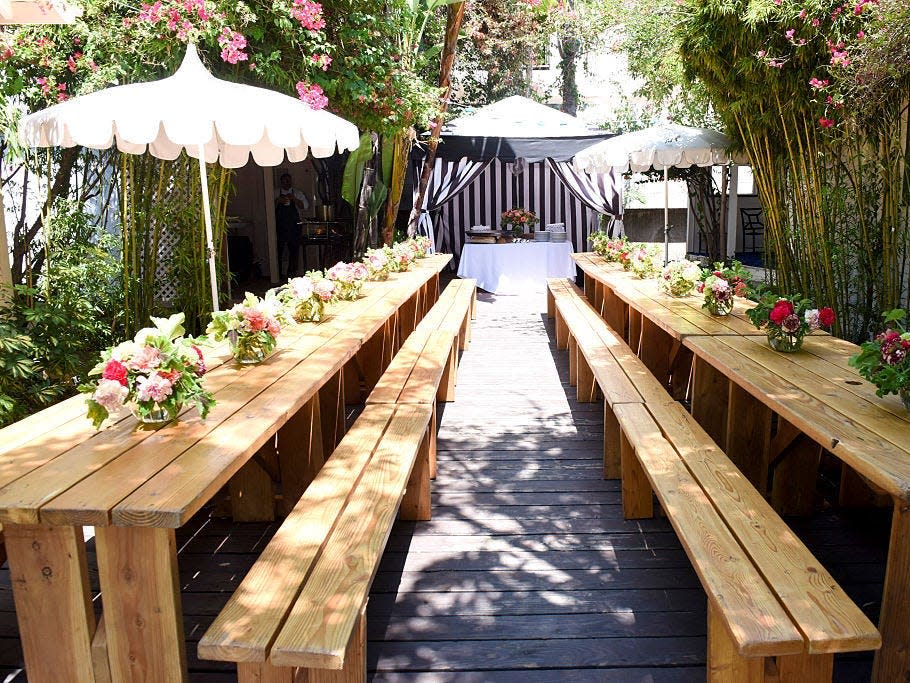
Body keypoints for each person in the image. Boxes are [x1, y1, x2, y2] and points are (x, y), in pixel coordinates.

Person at [275, 172, 310, 279]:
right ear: (281, 182)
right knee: (278, 250)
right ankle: (278, 273)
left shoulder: (297, 193)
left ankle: (292, 273)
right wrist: (277, 201)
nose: (287, 182)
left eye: (288, 180)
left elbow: (305, 206)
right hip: (280, 226)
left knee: (294, 250)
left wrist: (294, 199)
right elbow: (267, 207)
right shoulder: (275, 193)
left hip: (294, 226)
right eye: (284, 181)